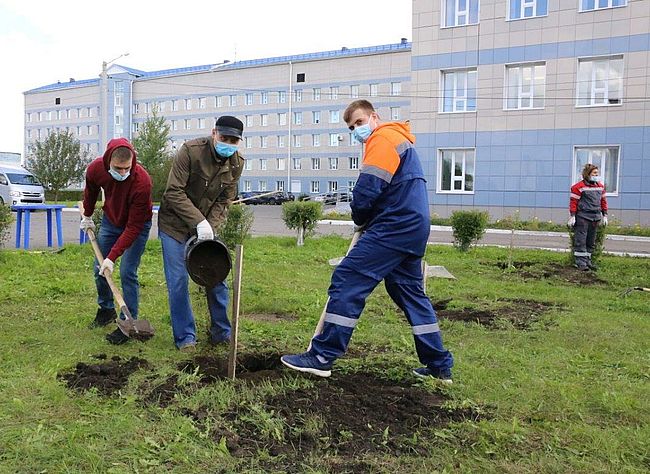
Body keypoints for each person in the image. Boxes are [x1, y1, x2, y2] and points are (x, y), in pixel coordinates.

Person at [281, 100, 454, 382]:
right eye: (351, 128)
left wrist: (360, 216)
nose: (357, 130)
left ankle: (322, 356)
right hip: (413, 226)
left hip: (394, 226)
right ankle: (438, 365)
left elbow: (369, 187)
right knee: (409, 291)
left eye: (359, 123)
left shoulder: (382, 137)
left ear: (374, 117)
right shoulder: (401, 140)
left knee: (349, 278)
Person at [158, 116, 245, 351]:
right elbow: (173, 192)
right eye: (224, 138)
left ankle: (221, 333)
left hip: (206, 228)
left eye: (234, 141)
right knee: (178, 281)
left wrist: (210, 227)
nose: (228, 143)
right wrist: (198, 221)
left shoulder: (237, 163)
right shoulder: (191, 151)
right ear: (214, 133)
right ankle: (185, 337)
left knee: (216, 275)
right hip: (174, 226)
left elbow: (224, 200)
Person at [80, 138, 153, 344]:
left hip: (136, 227)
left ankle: (127, 322)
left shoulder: (142, 181)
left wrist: (112, 257)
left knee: (127, 272)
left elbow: (132, 228)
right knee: (99, 269)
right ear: (108, 161)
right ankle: (106, 310)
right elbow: (91, 191)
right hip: (111, 221)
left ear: (133, 163)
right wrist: (87, 215)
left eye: (126, 168)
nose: (122, 173)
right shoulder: (96, 169)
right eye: (118, 168)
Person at [568, 163, 608, 271]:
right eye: (595, 173)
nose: (597, 175)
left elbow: (603, 201)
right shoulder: (578, 187)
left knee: (591, 241)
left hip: (595, 217)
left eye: (597, 173)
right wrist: (572, 216)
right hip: (583, 217)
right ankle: (581, 263)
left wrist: (605, 215)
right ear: (588, 174)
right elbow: (573, 202)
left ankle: (588, 261)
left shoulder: (600, 187)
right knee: (581, 240)